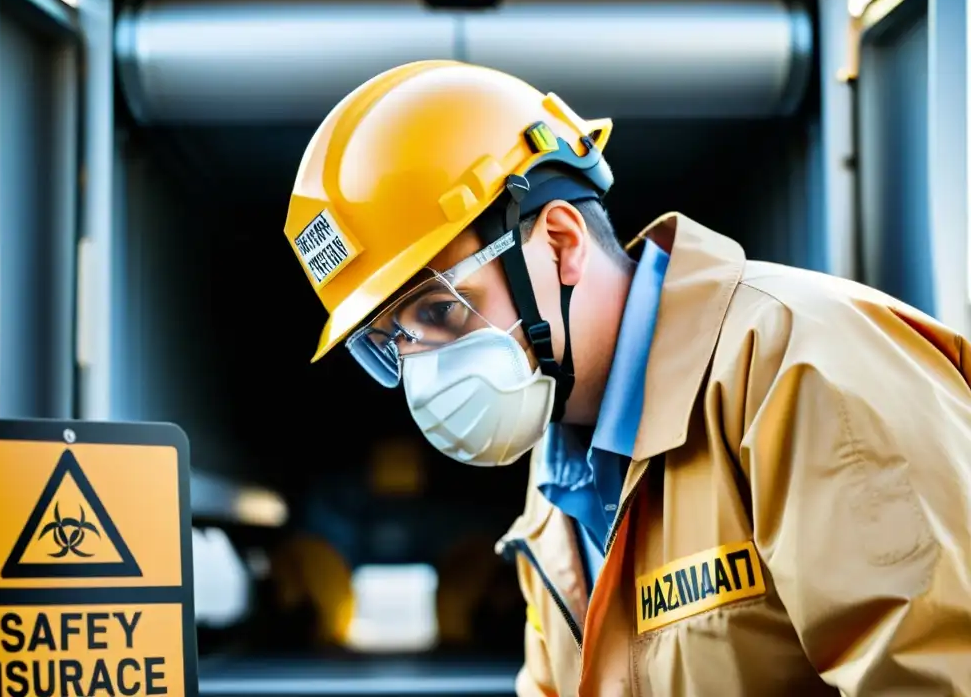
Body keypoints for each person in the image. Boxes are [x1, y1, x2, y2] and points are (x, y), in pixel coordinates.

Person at [284, 60, 971, 696]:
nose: (423, 366)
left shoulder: (802, 367)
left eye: (438, 309)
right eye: (390, 342)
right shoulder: (557, 488)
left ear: (559, 242)